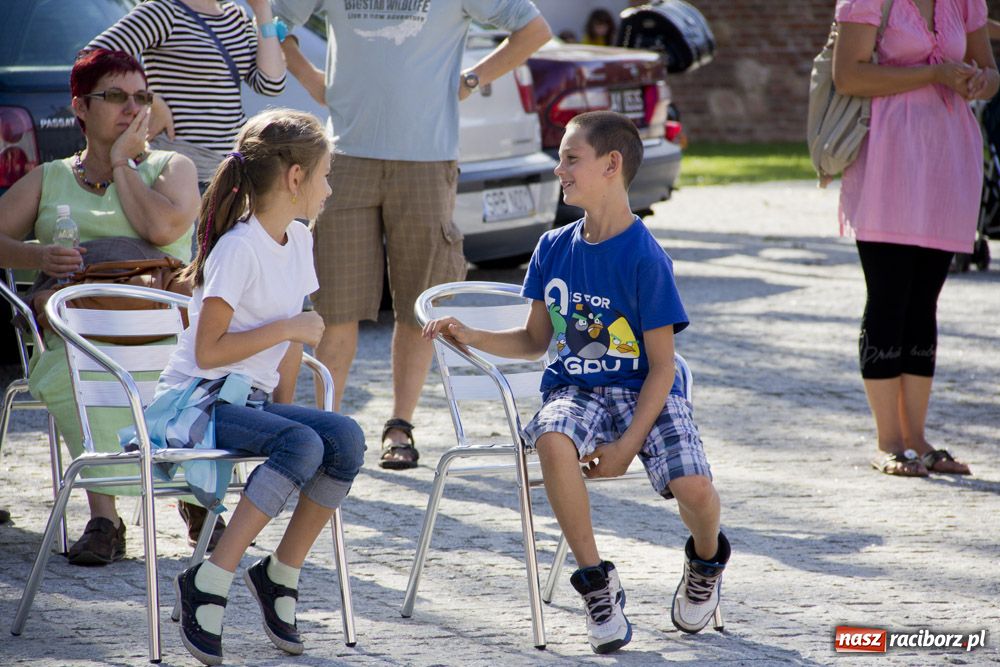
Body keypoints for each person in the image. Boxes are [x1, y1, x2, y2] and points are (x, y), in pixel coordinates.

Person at [422, 111, 730, 654]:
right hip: (576, 391)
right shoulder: (552, 247)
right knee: (551, 438)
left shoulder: (645, 257)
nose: (559, 169)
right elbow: (535, 340)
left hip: (645, 392)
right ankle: (596, 586)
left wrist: (626, 446)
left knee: (698, 491)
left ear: (611, 165)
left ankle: (706, 559)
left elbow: (662, 367)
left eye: (571, 158)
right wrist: (469, 335)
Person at [271, 0, 551, 470]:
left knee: (417, 306)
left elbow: (534, 29)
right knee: (335, 306)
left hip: (427, 159)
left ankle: (400, 426)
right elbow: (273, 25)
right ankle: (327, 431)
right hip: (345, 158)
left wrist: (470, 80)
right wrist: (317, 83)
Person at [162, 109, 365, 666]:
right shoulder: (238, 248)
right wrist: (287, 330)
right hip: (198, 400)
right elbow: (208, 352)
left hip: (246, 402)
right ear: (295, 178)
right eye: (324, 174)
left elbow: (290, 354)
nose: (328, 188)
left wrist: (289, 416)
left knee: (342, 437)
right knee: (301, 444)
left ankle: (279, 574)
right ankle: (211, 577)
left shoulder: (298, 239)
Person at [0, 49, 200, 565]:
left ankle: (196, 499)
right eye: (115, 96)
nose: (132, 108)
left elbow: (162, 230)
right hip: (78, 339)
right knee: (75, 373)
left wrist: (119, 164)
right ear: (80, 108)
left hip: (165, 337)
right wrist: (34, 255)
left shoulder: (170, 167)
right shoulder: (50, 178)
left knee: (193, 370)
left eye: (142, 97)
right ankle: (105, 520)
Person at [833, 0, 998, 476]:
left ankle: (919, 439)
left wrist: (981, 80)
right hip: (886, 160)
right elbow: (849, 76)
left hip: (948, 159)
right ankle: (889, 441)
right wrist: (934, 75)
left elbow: (991, 70)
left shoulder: (965, 2)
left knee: (925, 300)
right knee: (889, 296)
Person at [88, 0, 286, 189]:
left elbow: (271, 83)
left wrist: (262, 10)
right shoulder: (163, 12)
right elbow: (90, 59)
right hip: (178, 167)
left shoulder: (236, 17)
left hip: (228, 172)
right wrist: (151, 101)